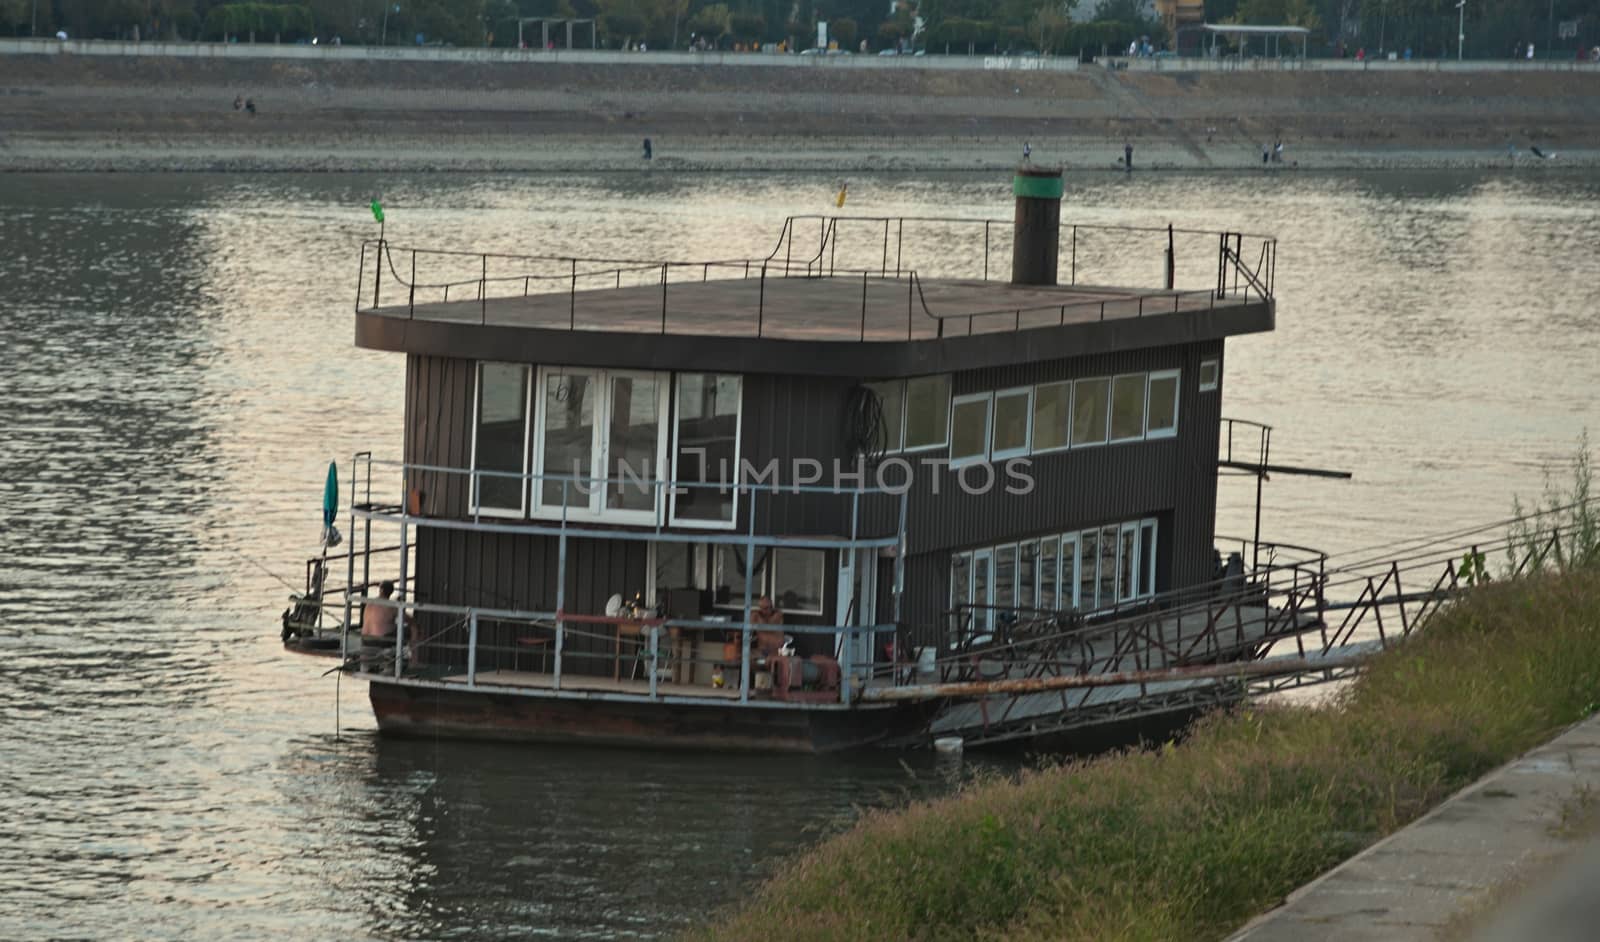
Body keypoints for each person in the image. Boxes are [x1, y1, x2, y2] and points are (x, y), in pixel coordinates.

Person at [360, 580, 399, 673]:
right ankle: (412, 662)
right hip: (380, 642)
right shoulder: (392, 606)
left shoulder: (369, 603)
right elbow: (409, 620)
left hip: (365, 641)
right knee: (408, 629)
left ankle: (367, 665)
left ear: (380, 590)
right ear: (391, 592)